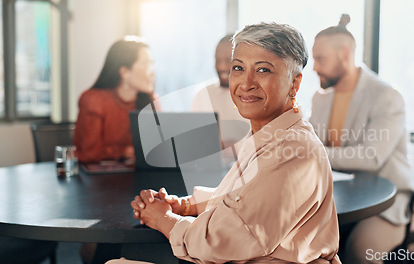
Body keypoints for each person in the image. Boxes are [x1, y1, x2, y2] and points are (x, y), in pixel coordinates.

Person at [108, 22, 341, 264]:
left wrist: (163, 220)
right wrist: (185, 205)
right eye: (238, 68)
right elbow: (242, 199)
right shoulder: (269, 134)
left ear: (295, 83)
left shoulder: (293, 150)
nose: (246, 82)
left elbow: (227, 236)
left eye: (263, 70)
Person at [309, 15, 414, 263]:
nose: (314, 67)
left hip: (390, 199)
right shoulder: (320, 97)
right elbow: (310, 142)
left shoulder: (386, 96)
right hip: (341, 193)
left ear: (344, 54)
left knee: (357, 253)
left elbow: (371, 157)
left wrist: (314, 152)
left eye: (320, 58)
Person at [73, 36, 156, 163]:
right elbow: (89, 153)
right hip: (98, 180)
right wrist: (125, 152)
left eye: (152, 64)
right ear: (124, 72)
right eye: (146, 64)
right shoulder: (94, 100)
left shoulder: (150, 100)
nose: (153, 72)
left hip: (137, 178)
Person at [191, 34, 250, 147]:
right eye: (217, 61)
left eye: (229, 61)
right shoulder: (203, 95)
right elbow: (194, 141)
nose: (221, 67)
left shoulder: (255, 96)